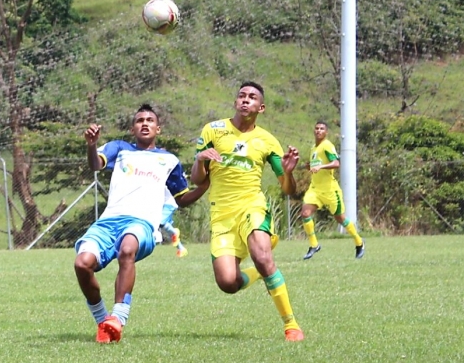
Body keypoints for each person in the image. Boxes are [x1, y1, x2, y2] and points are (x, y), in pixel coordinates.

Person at [74, 104, 208, 343]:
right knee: (82, 264)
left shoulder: (170, 160)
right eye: (139, 120)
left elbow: (182, 199)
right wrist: (91, 145)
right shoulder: (119, 148)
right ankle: (103, 321)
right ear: (132, 128)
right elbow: (95, 165)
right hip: (108, 222)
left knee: (127, 249)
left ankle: (118, 317)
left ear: (158, 128)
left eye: (149, 120)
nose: (144, 123)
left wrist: (205, 187)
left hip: (141, 223)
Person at [190, 81, 304, 342]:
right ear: (235, 102)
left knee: (263, 257)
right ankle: (260, 273)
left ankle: (291, 325)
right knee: (228, 284)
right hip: (221, 216)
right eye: (241, 96)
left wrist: (287, 172)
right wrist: (199, 159)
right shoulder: (213, 130)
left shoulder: (267, 141)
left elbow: (288, 190)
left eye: (252, 97)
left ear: (260, 107)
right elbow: (198, 180)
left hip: (252, 207)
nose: (245, 100)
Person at [301, 120, 364, 260]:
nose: (318, 130)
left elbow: (336, 163)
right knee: (305, 213)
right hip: (315, 189)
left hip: (330, 190)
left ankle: (359, 242)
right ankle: (314, 245)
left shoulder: (327, 146)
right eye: (316, 128)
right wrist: (309, 166)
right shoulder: (314, 148)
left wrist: (321, 167)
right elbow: (316, 165)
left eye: (322, 128)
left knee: (340, 218)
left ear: (326, 132)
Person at [160, 187, 188, 258]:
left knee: (159, 222)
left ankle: (175, 232)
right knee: (166, 227)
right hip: (164, 204)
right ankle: (181, 249)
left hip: (169, 204)